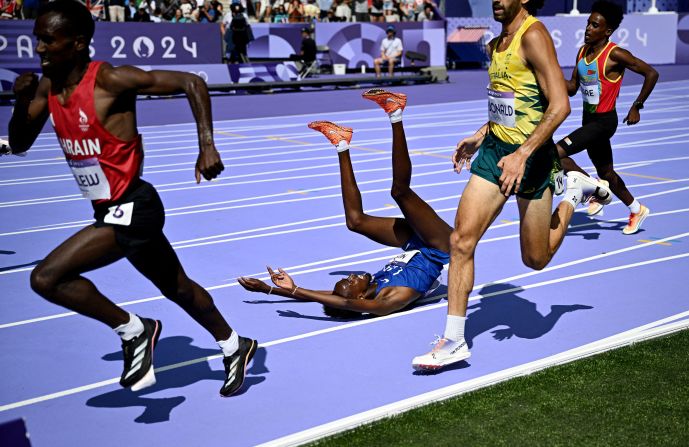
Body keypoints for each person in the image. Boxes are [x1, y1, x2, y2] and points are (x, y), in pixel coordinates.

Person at [6, 0, 256, 397]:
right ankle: (234, 345)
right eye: (37, 39)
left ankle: (135, 330)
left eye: (47, 40)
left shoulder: (110, 80)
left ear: (77, 43)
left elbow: (193, 81)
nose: (38, 48)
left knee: (47, 277)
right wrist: (21, 100)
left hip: (135, 207)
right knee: (178, 289)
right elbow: (18, 143)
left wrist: (207, 146)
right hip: (109, 208)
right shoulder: (47, 87)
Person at [411, 0, 612, 371]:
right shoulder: (496, 43)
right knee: (460, 241)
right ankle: (454, 340)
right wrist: (480, 134)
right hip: (493, 154)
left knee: (534, 259)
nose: (495, 1)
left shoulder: (533, 36)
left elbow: (560, 105)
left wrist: (523, 154)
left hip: (531, 160)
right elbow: (506, 104)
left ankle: (570, 194)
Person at [238, 89, 451, 317]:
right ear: (359, 298)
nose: (351, 277)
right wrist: (298, 289)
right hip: (439, 246)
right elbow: (346, 304)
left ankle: (341, 143)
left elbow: (332, 296)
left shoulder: (366, 287)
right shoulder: (389, 298)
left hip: (413, 243)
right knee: (400, 192)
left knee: (355, 222)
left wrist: (270, 289)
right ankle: (395, 111)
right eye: (349, 283)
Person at [556, 0, 658, 234]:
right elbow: (572, 88)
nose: (588, 29)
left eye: (594, 25)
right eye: (588, 23)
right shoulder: (583, 52)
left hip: (604, 122)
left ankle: (595, 191)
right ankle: (636, 209)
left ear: (607, 31)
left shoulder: (616, 54)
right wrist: (549, 75)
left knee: (555, 153)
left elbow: (651, 73)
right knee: (606, 173)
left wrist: (637, 106)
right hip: (588, 120)